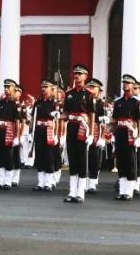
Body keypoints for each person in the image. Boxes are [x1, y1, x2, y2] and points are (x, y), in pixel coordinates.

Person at [61, 64, 94, 203]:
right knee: (72, 160)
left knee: (82, 160)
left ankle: (80, 192)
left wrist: (91, 133)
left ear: (85, 77)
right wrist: (57, 115)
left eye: (80, 74)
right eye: (75, 73)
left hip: (83, 128)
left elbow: (92, 115)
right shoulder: (69, 94)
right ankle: (72, 191)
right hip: (72, 127)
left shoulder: (89, 94)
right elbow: (66, 114)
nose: (77, 76)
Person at [113, 74, 140, 200]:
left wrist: (139, 137)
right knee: (121, 161)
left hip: (131, 132)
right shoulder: (118, 102)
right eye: (124, 83)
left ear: (133, 86)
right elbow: (114, 119)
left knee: (130, 161)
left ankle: (129, 191)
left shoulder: (136, 102)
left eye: (128, 83)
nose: (125, 85)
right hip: (120, 132)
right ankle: (122, 190)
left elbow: (139, 120)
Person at [0, 79, 24, 189]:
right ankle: (0, 180)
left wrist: (17, 136)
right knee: (0, 156)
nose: (6, 89)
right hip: (0, 131)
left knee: (9, 156)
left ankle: (8, 181)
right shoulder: (0, 103)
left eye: (8, 87)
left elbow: (18, 122)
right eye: (5, 87)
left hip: (10, 132)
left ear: (14, 89)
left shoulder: (16, 104)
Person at [32, 80, 59, 192]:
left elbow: (57, 121)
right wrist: (31, 133)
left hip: (49, 130)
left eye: (46, 87)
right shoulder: (38, 102)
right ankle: (40, 182)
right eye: (42, 87)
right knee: (40, 156)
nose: (43, 89)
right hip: (39, 129)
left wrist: (56, 134)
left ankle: (48, 182)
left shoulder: (54, 103)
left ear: (51, 89)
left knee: (49, 156)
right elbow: (33, 118)